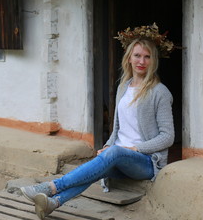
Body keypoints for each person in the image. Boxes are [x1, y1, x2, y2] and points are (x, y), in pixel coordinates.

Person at [20, 24, 175, 219]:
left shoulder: (159, 92)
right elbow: (119, 128)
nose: (141, 61)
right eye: (137, 55)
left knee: (113, 153)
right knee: (96, 168)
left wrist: (135, 149)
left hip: (145, 162)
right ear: (129, 58)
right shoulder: (124, 87)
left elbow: (168, 137)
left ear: (153, 61)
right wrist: (109, 146)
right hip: (119, 156)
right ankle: (53, 202)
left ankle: (51, 186)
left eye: (147, 56)